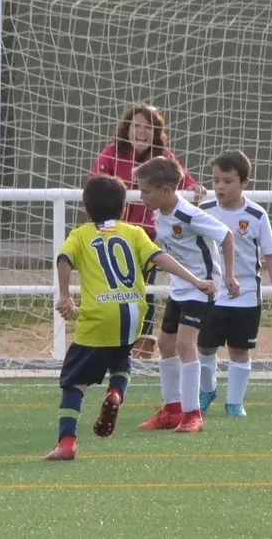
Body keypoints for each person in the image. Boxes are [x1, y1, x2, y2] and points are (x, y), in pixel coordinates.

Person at [44, 175, 216, 460]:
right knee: (121, 357)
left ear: (87, 210)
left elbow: (63, 260)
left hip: (98, 315)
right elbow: (161, 258)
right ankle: (115, 393)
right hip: (133, 313)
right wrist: (196, 280)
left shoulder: (80, 235)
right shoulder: (134, 232)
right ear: (123, 208)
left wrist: (65, 295)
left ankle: (66, 442)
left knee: (73, 383)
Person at [132, 157, 239, 433]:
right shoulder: (159, 212)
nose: (141, 195)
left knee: (184, 345)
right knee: (166, 345)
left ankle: (193, 414)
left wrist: (227, 276)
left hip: (203, 287)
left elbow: (226, 235)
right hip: (181, 287)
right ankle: (172, 409)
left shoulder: (187, 214)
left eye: (145, 190)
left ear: (166, 191)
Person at [89, 104, 205, 360]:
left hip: (149, 234)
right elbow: (95, 181)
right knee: (116, 286)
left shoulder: (162, 157)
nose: (141, 132)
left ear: (155, 132)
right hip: (115, 233)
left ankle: (144, 342)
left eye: (147, 127)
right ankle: (112, 339)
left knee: (145, 287)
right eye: (137, 126)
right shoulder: (112, 153)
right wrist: (124, 186)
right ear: (127, 128)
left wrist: (195, 188)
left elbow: (184, 179)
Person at [198, 151, 272, 417]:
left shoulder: (256, 215)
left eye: (227, 181)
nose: (220, 187)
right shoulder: (202, 211)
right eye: (215, 181)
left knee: (239, 349)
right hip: (210, 294)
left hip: (246, 295)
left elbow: (270, 254)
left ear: (244, 183)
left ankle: (234, 403)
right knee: (204, 347)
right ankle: (207, 389)